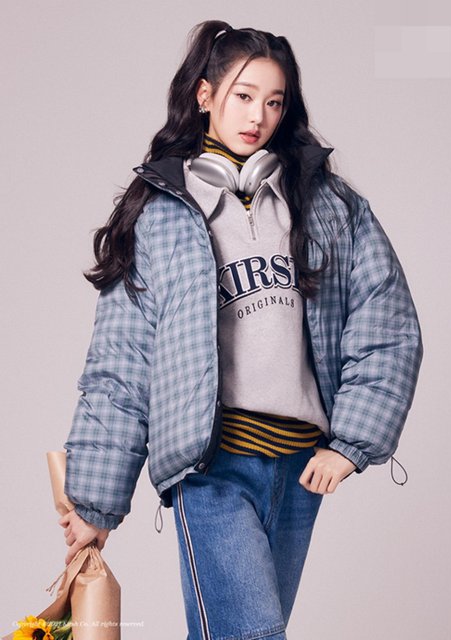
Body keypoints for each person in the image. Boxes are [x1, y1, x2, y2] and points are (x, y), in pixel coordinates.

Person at [59, 20, 423, 640]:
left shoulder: (328, 206)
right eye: (244, 95)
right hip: (212, 469)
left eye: (274, 101)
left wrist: (352, 444)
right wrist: (96, 503)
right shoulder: (160, 217)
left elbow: (387, 323)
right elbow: (120, 367)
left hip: (299, 471)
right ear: (205, 95)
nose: (259, 116)